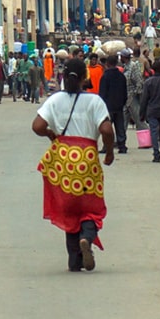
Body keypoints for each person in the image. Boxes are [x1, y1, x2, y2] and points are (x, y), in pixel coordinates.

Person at [33, 58, 115, 272]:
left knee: (68, 208)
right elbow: (106, 130)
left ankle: (74, 260)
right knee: (91, 207)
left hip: (63, 161)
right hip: (87, 158)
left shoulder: (55, 100)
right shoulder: (95, 101)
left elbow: (37, 126)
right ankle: (86, 237)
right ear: (84, 78)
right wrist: (109, 152)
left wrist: (51, 133)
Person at [99, 52, 130, 154]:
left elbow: (102, 93)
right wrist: (123, 102)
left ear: (107, 64)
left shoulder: (105, 77)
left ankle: (106, 147)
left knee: (106, 128)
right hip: (119, 106)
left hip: (108, 106)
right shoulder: (121, 76)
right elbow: (125, 92)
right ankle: (122, 146)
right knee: (120, 127)